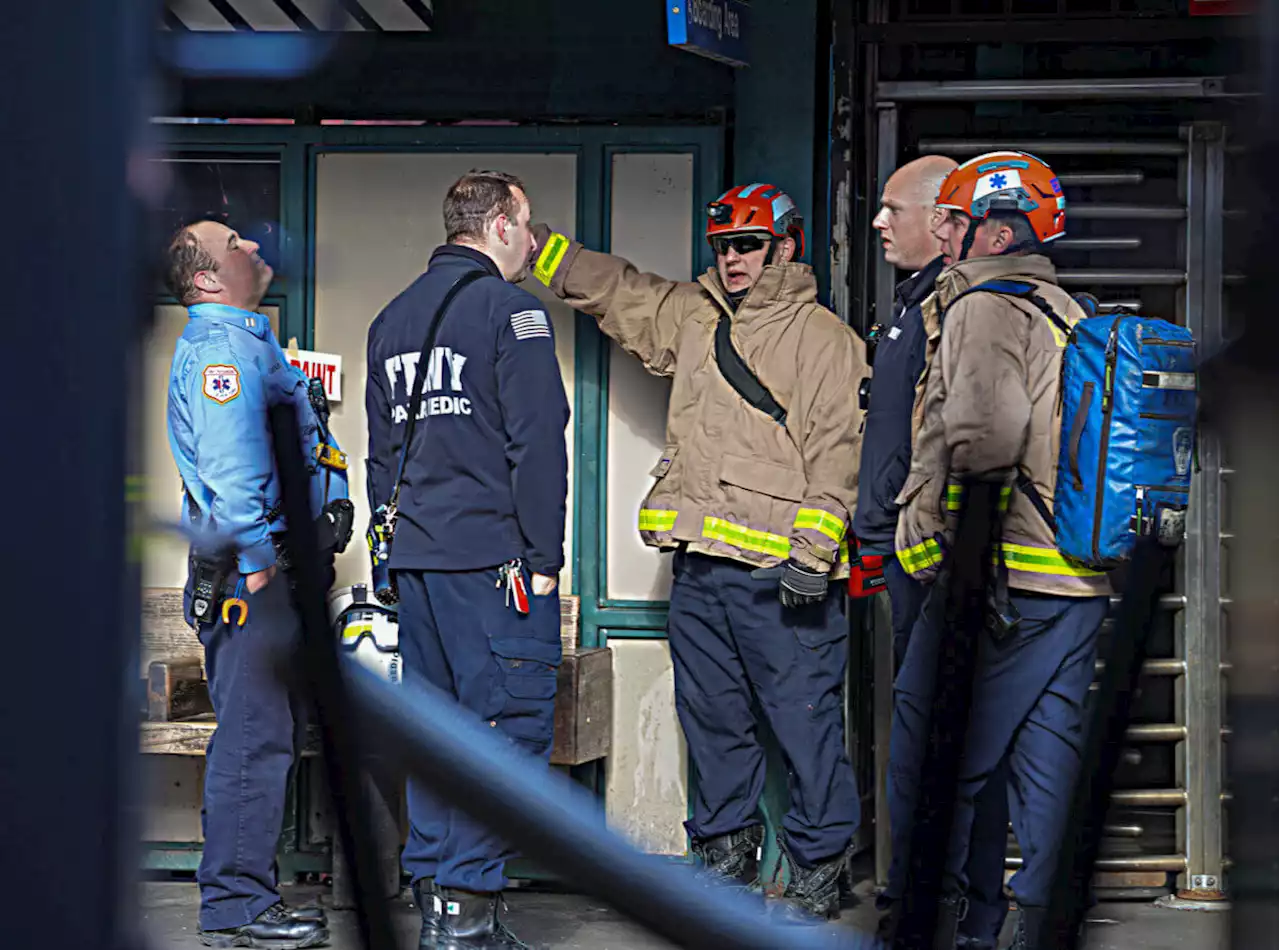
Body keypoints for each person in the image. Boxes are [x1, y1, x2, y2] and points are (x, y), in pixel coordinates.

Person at [527, 183, 867, 923]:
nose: (733, 259)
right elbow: (618, 291)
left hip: (787, 580)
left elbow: (841, 453)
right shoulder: (694, 315)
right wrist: (537, 249)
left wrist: (813, 554)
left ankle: (819, 865)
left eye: (747, 244)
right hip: (701, 569)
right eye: (723, 246)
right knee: (713, 722)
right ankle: (724, 859)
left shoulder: (825, 341)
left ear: (788, 244)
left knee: (805, 726)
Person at [890, 152, 1111, 949]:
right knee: (1045, 756)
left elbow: (985, 438)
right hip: (1075, 582)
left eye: (954, 218)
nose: (943, 233)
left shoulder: (987, 308)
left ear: (995, 226)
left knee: (932, 754)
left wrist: (954, 563)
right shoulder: (1067, 310)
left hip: (1005, 576)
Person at [365, 170, 569, 950]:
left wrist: (393, 560)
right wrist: (544, 556)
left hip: (415, 563)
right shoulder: (512, 313)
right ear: (501, 227)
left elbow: (384, 459)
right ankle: (469, 912)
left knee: (440, 733)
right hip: (495, 566)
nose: (532, 240)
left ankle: (439, 903)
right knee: (506, 734)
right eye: (529, 224)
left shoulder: (391, 320)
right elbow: (537, 442)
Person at [166, 220, 353, 949]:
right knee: (254, 738)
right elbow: (234, 473)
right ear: (208, 277)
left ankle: (247, 898)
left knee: (269, 734)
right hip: (255, 575)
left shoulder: (250, 341)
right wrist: (262, 564)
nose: (253, 246)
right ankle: (236, 909)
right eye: (234, 243)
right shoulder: (220, 352)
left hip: (277, 567)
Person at [863, 156, 1015, 949]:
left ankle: (960, 914)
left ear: (944, 219)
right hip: (904, 554)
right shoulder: (910, 308)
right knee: (928, 736)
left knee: (947, 736)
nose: (880, 223)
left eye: (893, 208)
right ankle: (943, 907)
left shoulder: (963, 309)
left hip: (941, 559)